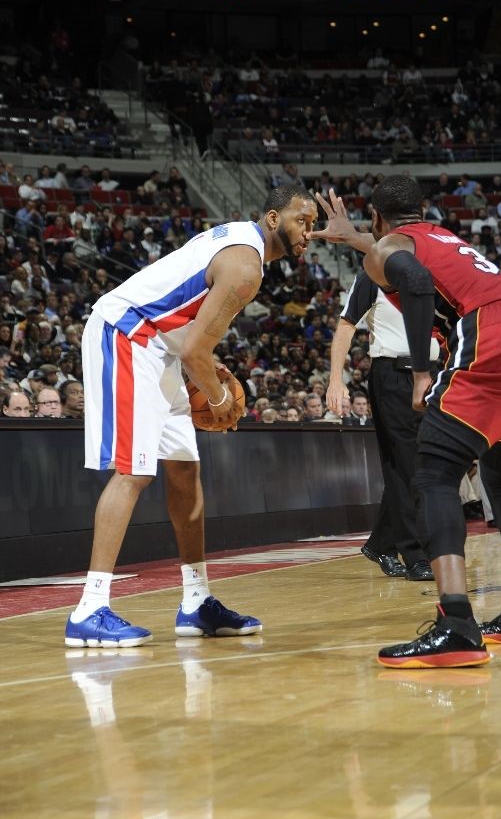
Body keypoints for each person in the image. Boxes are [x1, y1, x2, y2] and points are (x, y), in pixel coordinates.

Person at [309, 176, 501, 668]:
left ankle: (455, 624)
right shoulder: (440, 237)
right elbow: (405, 257)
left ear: (378, 217)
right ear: (422, 210)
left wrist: (422, 372)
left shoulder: (392, 247)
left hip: (493, 332)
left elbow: (415, 279)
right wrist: (357, 238)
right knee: (499, 470)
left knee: (433, 472)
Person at [65, 184, 318, 648]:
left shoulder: (239, 241)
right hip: (127, 336)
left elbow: (191, 336)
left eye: (315, 224)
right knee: (134, 473)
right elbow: (198, 349)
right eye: (304, 220)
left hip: (162, 345)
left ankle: (196, 601)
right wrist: (220, 400)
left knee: (184, 471)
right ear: (273, 219)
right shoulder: (246, 266)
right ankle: (90, 608)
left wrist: (205, 368)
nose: (310, 231)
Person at [327, 270, 436, 580]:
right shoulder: (373, 275)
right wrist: (336, 380)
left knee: (423, 462)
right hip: (393, 374)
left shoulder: (432, 274)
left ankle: (382, 543)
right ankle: (415, 554)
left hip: (432, 375)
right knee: (406, 464)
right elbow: (346, 324)